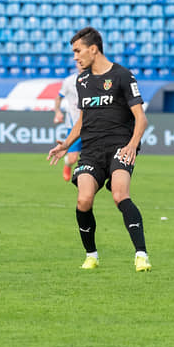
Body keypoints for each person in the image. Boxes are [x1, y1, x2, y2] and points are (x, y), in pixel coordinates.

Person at [47, 27, 152, 272]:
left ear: (93, 49)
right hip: (92, 150)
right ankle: (91, 255)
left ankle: (141, 255)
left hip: (119, 146)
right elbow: (83, 120)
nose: (75, 57)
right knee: (83, 199)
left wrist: (132, 145)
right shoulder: (81, 81)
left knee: (119, 194)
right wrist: (65, 144)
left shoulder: (123, 76)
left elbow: (141, 118)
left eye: (77, 50)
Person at [53, 65, 81, 181]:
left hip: (92, 124)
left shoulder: (96, 79)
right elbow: (58, 98)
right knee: (72, 158)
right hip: (74, 124)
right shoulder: (69, 81)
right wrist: (58, 112)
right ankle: (67, 164)